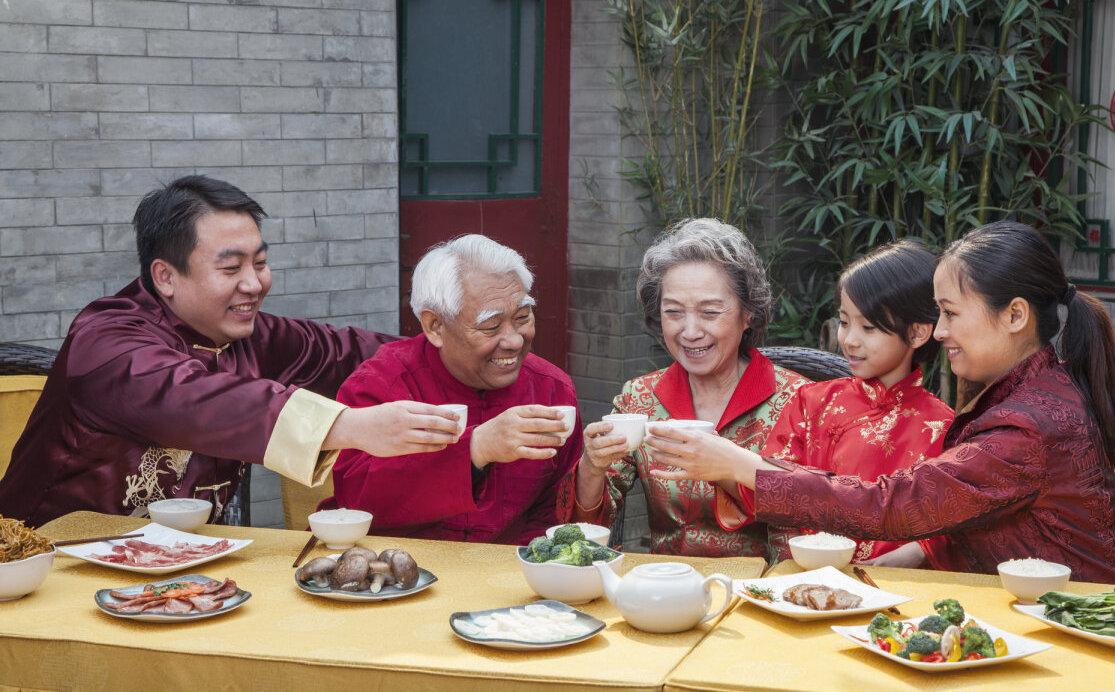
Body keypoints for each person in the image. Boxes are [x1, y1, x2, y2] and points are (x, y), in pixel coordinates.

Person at [660, 221, 1115, 585]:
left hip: (1096, 623)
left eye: (950, 314)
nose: (940, 333)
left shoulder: (1025, 426)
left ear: (1015, 316)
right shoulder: (1031, 396)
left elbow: (892, 504)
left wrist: (745, 466)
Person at [0, 175, 464, 527]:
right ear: (165, 276)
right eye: (231, 267)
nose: (254, 283)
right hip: (50, 563)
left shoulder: (247, 336)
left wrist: (464, 349)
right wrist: (353, 426)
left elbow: (351, 353)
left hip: (187, 571)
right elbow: (197, 400)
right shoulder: (107, 341)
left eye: (260, 263)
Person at [560, 218, 808, 560]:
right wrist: (592, 465)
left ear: (748, 313)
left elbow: (813, 520)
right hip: (667, 590)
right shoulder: (640, 398)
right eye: (673, 312)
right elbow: (587, 528)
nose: (690, 332)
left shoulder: (800, 401)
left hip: (763, 595)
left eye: (709, 312)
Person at [709, 241, 953, 565]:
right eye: (844, 321)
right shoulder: (811, 401)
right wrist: (711, 461)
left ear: (919, 333)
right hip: (811, 578)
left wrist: (911, 555)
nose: (849, 340)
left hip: (897, 590)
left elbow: (949, 525)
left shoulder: (943, 426)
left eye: (868, 327)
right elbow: (764, 491)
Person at [327, 234, 582, 545]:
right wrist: (476, 448)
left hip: (508, 576)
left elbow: (554, 514)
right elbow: (356, 500)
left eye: (522, 317)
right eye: (491, 326)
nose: (514, 340)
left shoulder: (551, 389)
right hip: (391, 571)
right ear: (436, 326)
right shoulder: (382, 382)